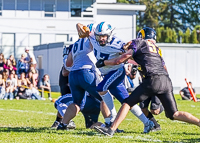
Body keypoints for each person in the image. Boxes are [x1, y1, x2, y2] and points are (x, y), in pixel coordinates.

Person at [94, 27, 200, 136]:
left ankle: (111, 129)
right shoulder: (157, 49)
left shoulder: (139, 42)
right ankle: (199, 123)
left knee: (127, 103)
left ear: (141, 36)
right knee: (174, 113)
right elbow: (163, 67)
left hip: (152, 79)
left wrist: (104, 62)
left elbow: (120, 60)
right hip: (166, 80)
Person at [77, 22, 154, 133]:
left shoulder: (118, 44)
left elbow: (132, 54)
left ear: (110, 35)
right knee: (128, 102)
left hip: (117, 71)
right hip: (107, 74)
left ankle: (111, 119)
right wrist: (80, 29)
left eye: (104, 36)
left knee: (101, 88)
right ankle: (148, 123)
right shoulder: (93, 35)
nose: (101, 39)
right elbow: (79, 24)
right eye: (99, 36)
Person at [57, 34, 109, 130]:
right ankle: (109, 125)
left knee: (76, 103)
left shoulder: (75, 44)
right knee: (105, 97)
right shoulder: (93, 41)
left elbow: (67, 65)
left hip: (74, 75)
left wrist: (65, 57)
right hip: (87, 73)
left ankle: (62, 125)